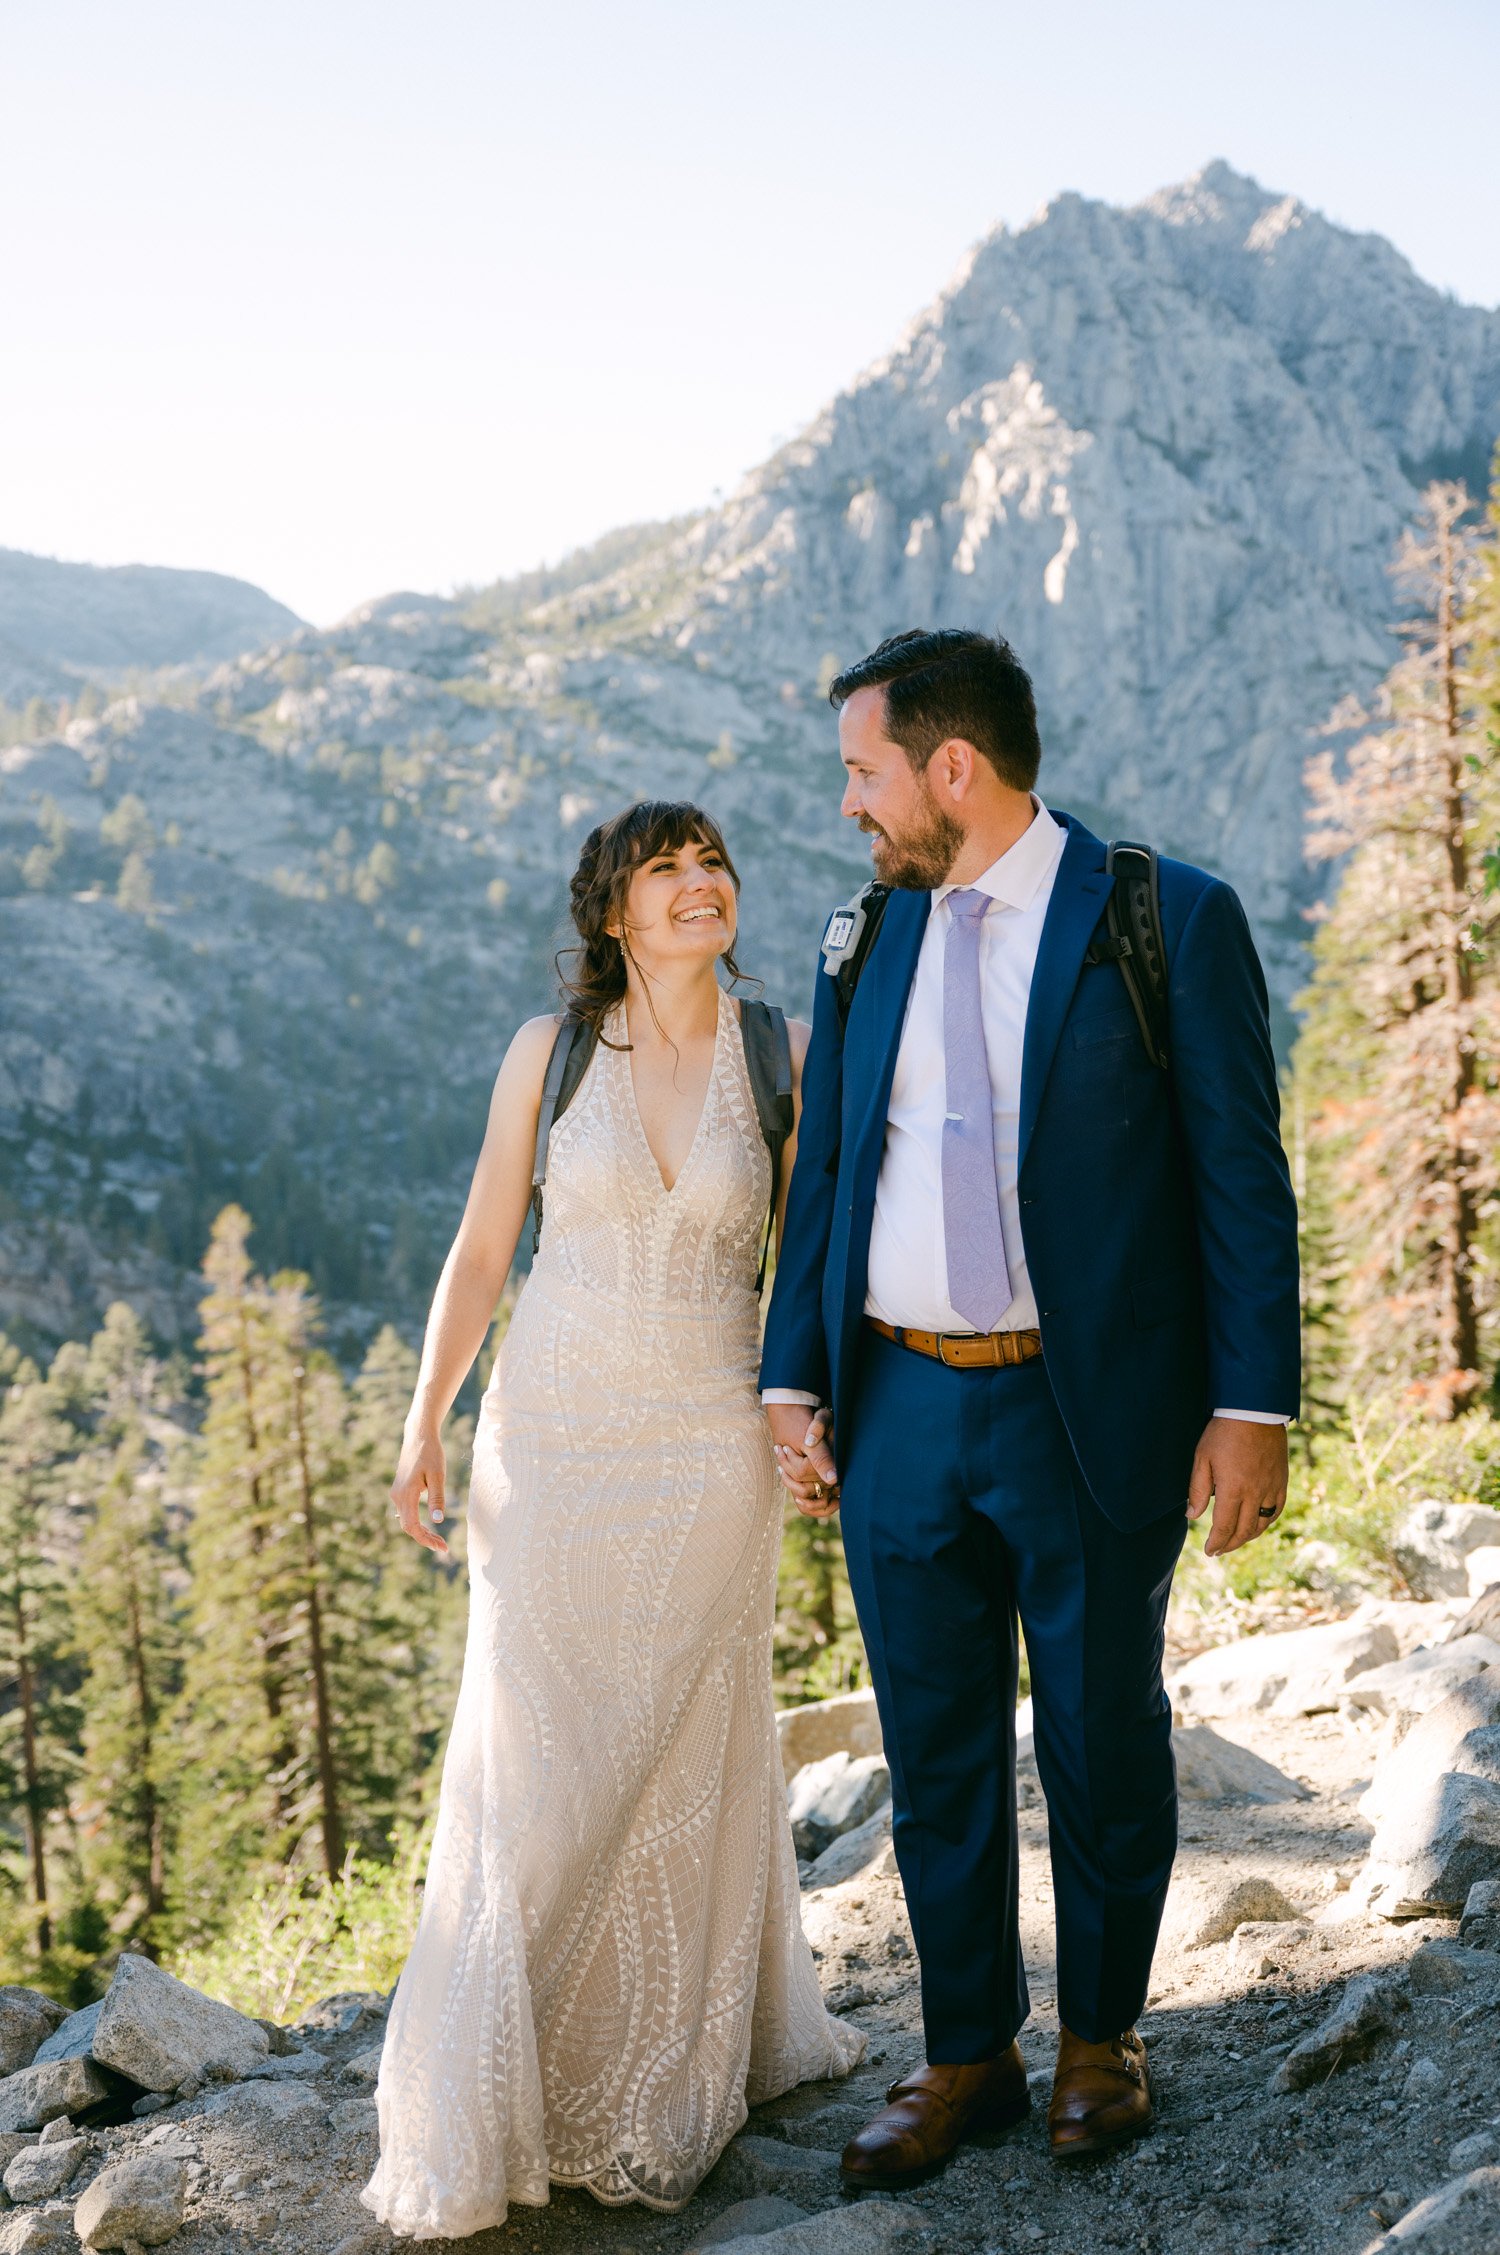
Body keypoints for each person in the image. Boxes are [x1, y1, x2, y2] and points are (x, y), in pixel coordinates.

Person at [762, 629, 1300, 2188]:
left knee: (1100, 1733)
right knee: (933, 1755)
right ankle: (966, 2054)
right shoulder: (861, 938)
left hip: (1092, 1409)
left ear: (953, 767)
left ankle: (1101, 2041)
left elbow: (1239, 1180)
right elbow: (832, 1174)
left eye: (866, 772)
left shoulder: (1162, 916)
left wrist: (1251, 1404)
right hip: (901, 1410)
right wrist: (791, 1374)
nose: (852, 805)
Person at [362, 801, 862, 2242]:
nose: (702, 886)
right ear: (613, 913)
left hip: (712, 1437)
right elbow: (481, 1243)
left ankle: (649, 2064)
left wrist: (810, 1402)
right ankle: (487, 2079)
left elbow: (819, 1249)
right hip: (550, 1437)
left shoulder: (786, 1053)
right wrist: (424, 1420)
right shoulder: (552, 1050)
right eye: (667, 871)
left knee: (679, 1728)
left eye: (713, 865)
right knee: (533, 1745)